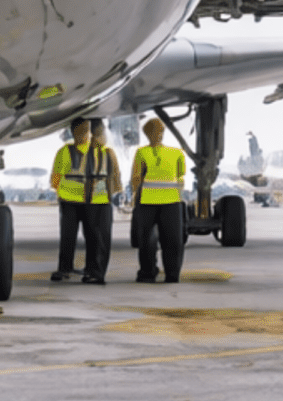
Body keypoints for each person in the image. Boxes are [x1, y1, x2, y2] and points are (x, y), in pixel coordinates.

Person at [49, 118, 118, 285]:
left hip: (80, 201)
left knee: (71, 237)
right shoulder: (102, 151)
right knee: (91, 237)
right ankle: (88, 271)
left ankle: (68, 269)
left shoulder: (66, 151)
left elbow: (55, 179)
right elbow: (113, 179)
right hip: (86, 201)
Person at [129, 117, 190, 285]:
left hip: (153, 202)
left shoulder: (143, 153)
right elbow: (180, 177)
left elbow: (136, 178)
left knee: (150, 240)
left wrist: (134, 196)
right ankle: (171, 274)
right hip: (167, 202)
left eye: (160, 131)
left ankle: (149, 274)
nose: (159, 134)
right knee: (171, 240)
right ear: (147, 134)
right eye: (156, 131)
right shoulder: (176, 153)